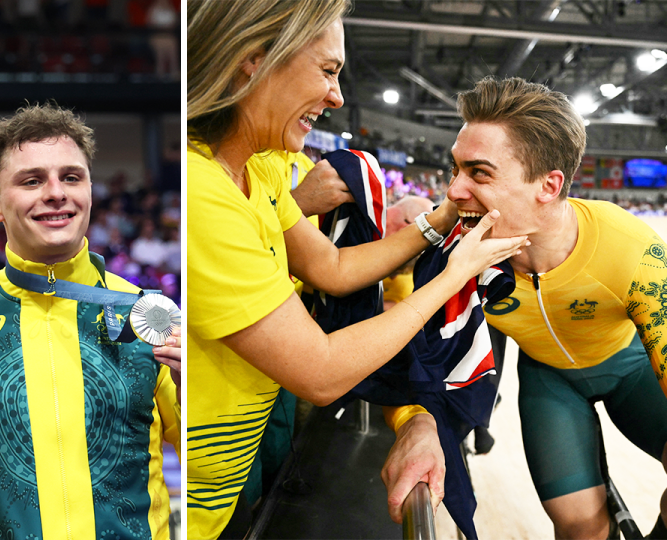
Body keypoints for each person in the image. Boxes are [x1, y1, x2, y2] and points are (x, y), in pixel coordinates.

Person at [184, 1, 530, 538]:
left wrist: (436, 223)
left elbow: (334, 267)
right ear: (253, 58)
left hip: (224, 476)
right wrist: (450, 278)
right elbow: (320, 372)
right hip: (183, 496)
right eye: (328, 70)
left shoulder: (259, 168)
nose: (338, 96)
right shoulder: (201, 194)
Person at [382, 76, 667, 540]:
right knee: (580, 527)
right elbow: (407, 336)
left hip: (630, 371)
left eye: (479, 173)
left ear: (549, 185)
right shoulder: (458, 251)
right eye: (455, 169)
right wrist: (415, 418)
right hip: (550, 384)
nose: (453, 191)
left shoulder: (632, 251)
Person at [0, 103, 181, 539]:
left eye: (71, 177)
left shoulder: (148, 313)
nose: (56, 193)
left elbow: (204, 455)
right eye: (32, 181)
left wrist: (199, 390)